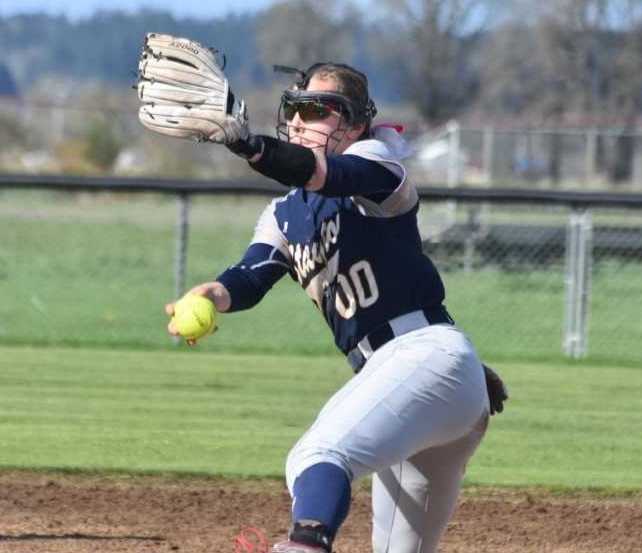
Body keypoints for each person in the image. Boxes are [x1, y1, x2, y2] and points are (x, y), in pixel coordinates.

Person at [164, 62, 506, 553]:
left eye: (319, 109)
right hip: (414, 377)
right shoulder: (284, 212)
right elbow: (253, 276)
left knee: (316, 454)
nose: (301, 120)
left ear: (354, 124)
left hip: (425, 356)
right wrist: (214, 294)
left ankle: (305, 544)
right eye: (295, 108)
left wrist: (248, 144)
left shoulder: (378, 161)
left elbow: (327, 173)